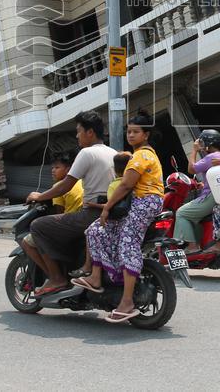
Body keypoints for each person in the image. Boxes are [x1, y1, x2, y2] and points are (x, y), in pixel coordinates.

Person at [74, 113, 165, 324]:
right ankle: (96, 278)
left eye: (136, 132)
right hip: (141, 204)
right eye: (129, 131)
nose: (131, 135)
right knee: (96, 230)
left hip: (144, 204)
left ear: (146, 134)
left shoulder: (142, 155)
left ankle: (126, 303)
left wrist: (106, 208)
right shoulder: (142, 155)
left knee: (128, 243)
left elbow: (126, 185)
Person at [24, 111, 116, 297]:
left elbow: (65, 186)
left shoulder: (87, 153)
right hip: (110, 212)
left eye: (79, 131)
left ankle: (57, 278)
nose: (76, 136)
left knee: (38, 226)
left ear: (90, 132)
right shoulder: (112, 152)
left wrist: (39, 196)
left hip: (90, 215)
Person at [172, 129, 220, 253]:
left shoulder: (211, 157)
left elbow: (191, 169)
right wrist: (204, 184)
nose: (200, 145)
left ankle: (192, 247)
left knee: (181, 212)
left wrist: (194, 150)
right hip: (219, 194)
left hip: (211, 196)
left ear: (208, 144)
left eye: (202, 142)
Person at [49, 150, 83, 215]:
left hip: (71, 219)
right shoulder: (81, 180)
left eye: (57, 167)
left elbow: (59, 212)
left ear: (68, 170)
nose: (53, 170)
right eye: (52, 167)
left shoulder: (58, 186)